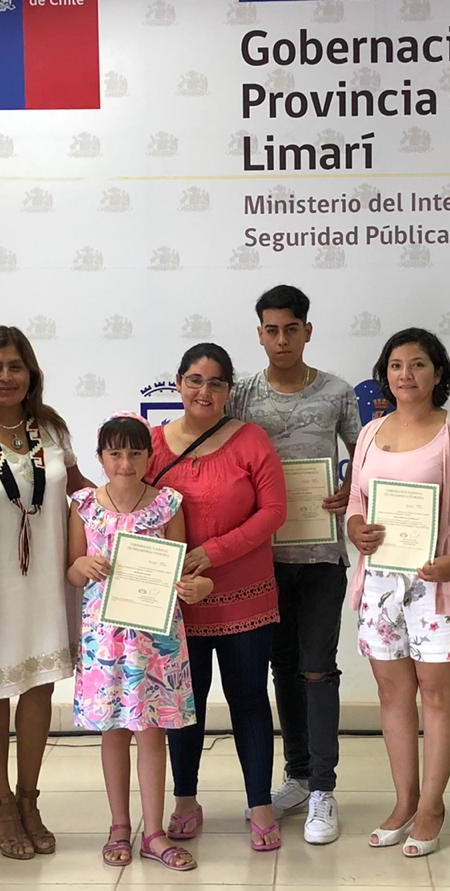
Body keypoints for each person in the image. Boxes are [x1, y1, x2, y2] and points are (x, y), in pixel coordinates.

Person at [0, 326, 91, 860]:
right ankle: (1, 802)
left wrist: (142, 503)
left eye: (15, 366)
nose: (6, 377)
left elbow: (82, 494)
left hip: (46, 583)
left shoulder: (50, 428)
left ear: (31, 372)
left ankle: (29, 799)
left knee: (39, 688)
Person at [346, 327, 450, 858]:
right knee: (392, 693)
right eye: (395, 365)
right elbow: (357, 499)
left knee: (437, 694)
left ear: (438, 373)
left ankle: (432, 805)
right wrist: (355, 526)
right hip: (381, 584)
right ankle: (404, 800)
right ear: (384, 375)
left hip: (440, 582)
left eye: (417, 364)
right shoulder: (370, 433)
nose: (405, 375)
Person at [226, 284, 360, 844]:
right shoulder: (239, 395)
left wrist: (351, 490)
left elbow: (368, 457)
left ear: (308, 331)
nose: (281, 339)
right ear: (259, 334)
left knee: (317, 668)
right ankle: (299, 776)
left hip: (322, 554)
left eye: (291, 329)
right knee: (282, 668)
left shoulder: (338, 393)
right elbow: (221, 455)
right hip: (260, 557)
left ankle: (325, 788)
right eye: (271, 330)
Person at [146, 343, 288, 852]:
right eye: (194, 380)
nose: (204, 391)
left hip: (244, 597)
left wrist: (212, 552)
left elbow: (273, 511)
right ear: (178, 383)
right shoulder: (152, 444)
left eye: (216, 383)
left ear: (229, 390)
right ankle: (185, 800)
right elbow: (131, 506)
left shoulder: (251, 440)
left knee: (249, 698)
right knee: (185, 704)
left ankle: (260, 805)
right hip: (178, 601)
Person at [68, 413, 213, 871]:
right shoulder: (84, 506)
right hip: (105, 640)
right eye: (115, 454)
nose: (125, 463)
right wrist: (81, 566)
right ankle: (119, 826)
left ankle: (153, 832)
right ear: (100, 458)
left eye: (135, 453)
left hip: (156, 638)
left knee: (152, 733)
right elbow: (71, 569)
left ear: (150, 456)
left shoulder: (168, 505)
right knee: (113, 731)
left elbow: (180, 568)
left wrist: (194, 585)